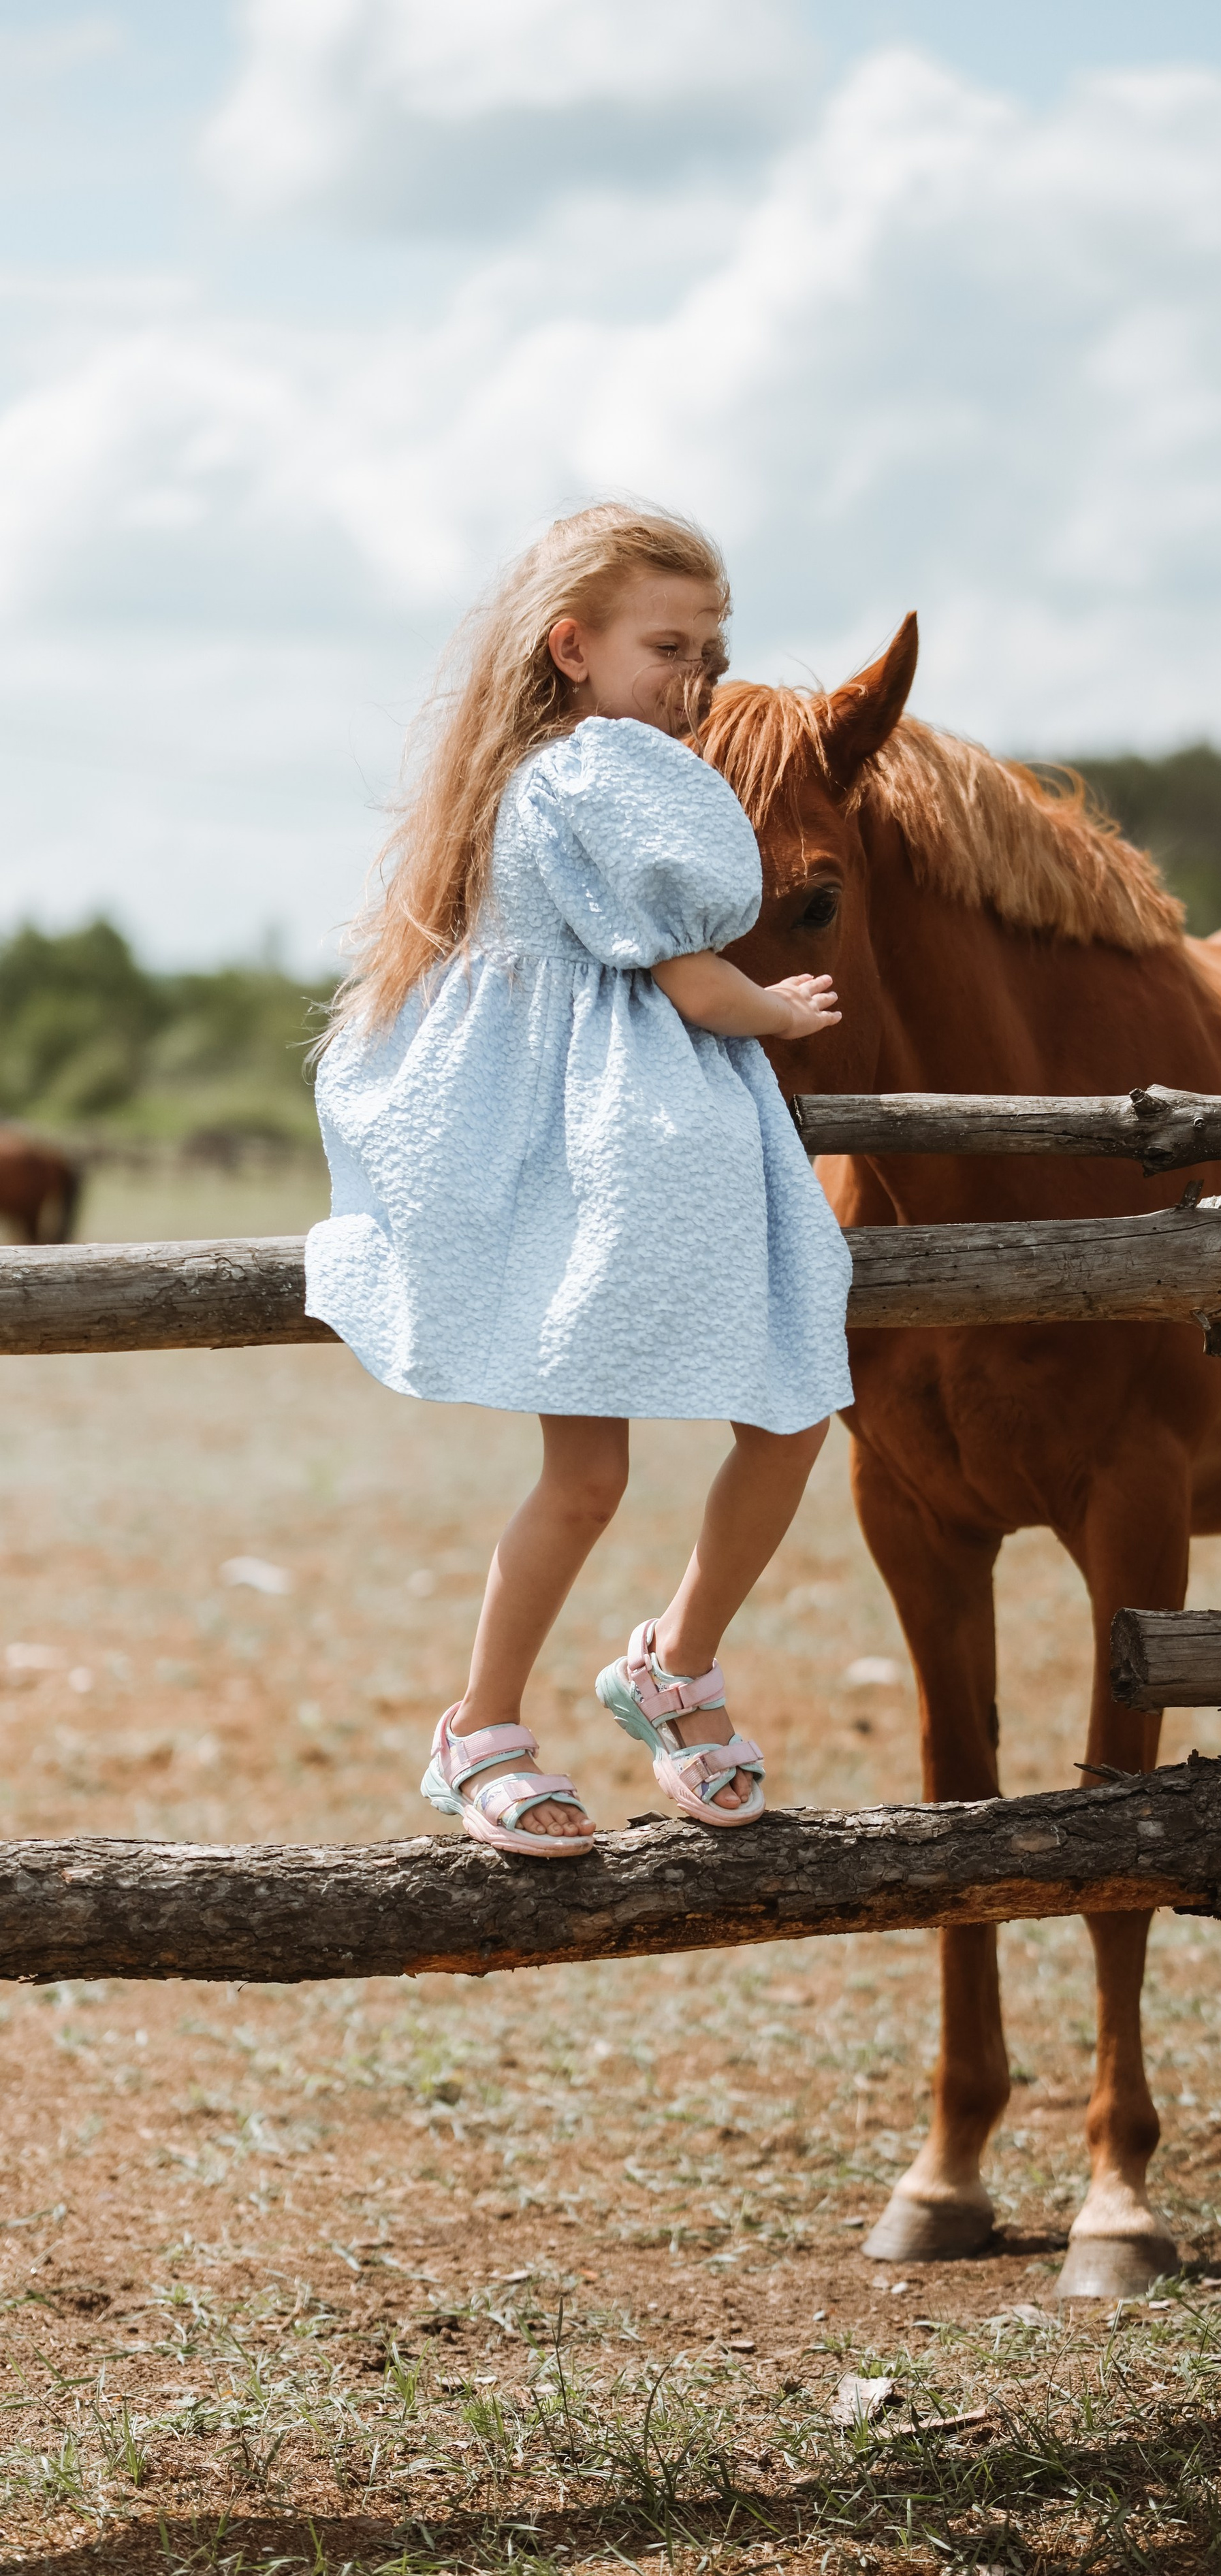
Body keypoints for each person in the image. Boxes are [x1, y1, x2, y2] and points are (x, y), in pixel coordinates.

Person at [307, 503, 852, 1856]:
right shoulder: (600, 772)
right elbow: (696, 985)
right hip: (609, 1175)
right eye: (668, 648)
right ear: (573, 648)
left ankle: (627, 1681)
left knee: (614, 1467)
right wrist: (780, 1011)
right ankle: (520, 1713)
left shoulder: (549, 774)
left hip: (619, 1174)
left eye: (712, 653)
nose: (696, 679)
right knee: (768, 1416)